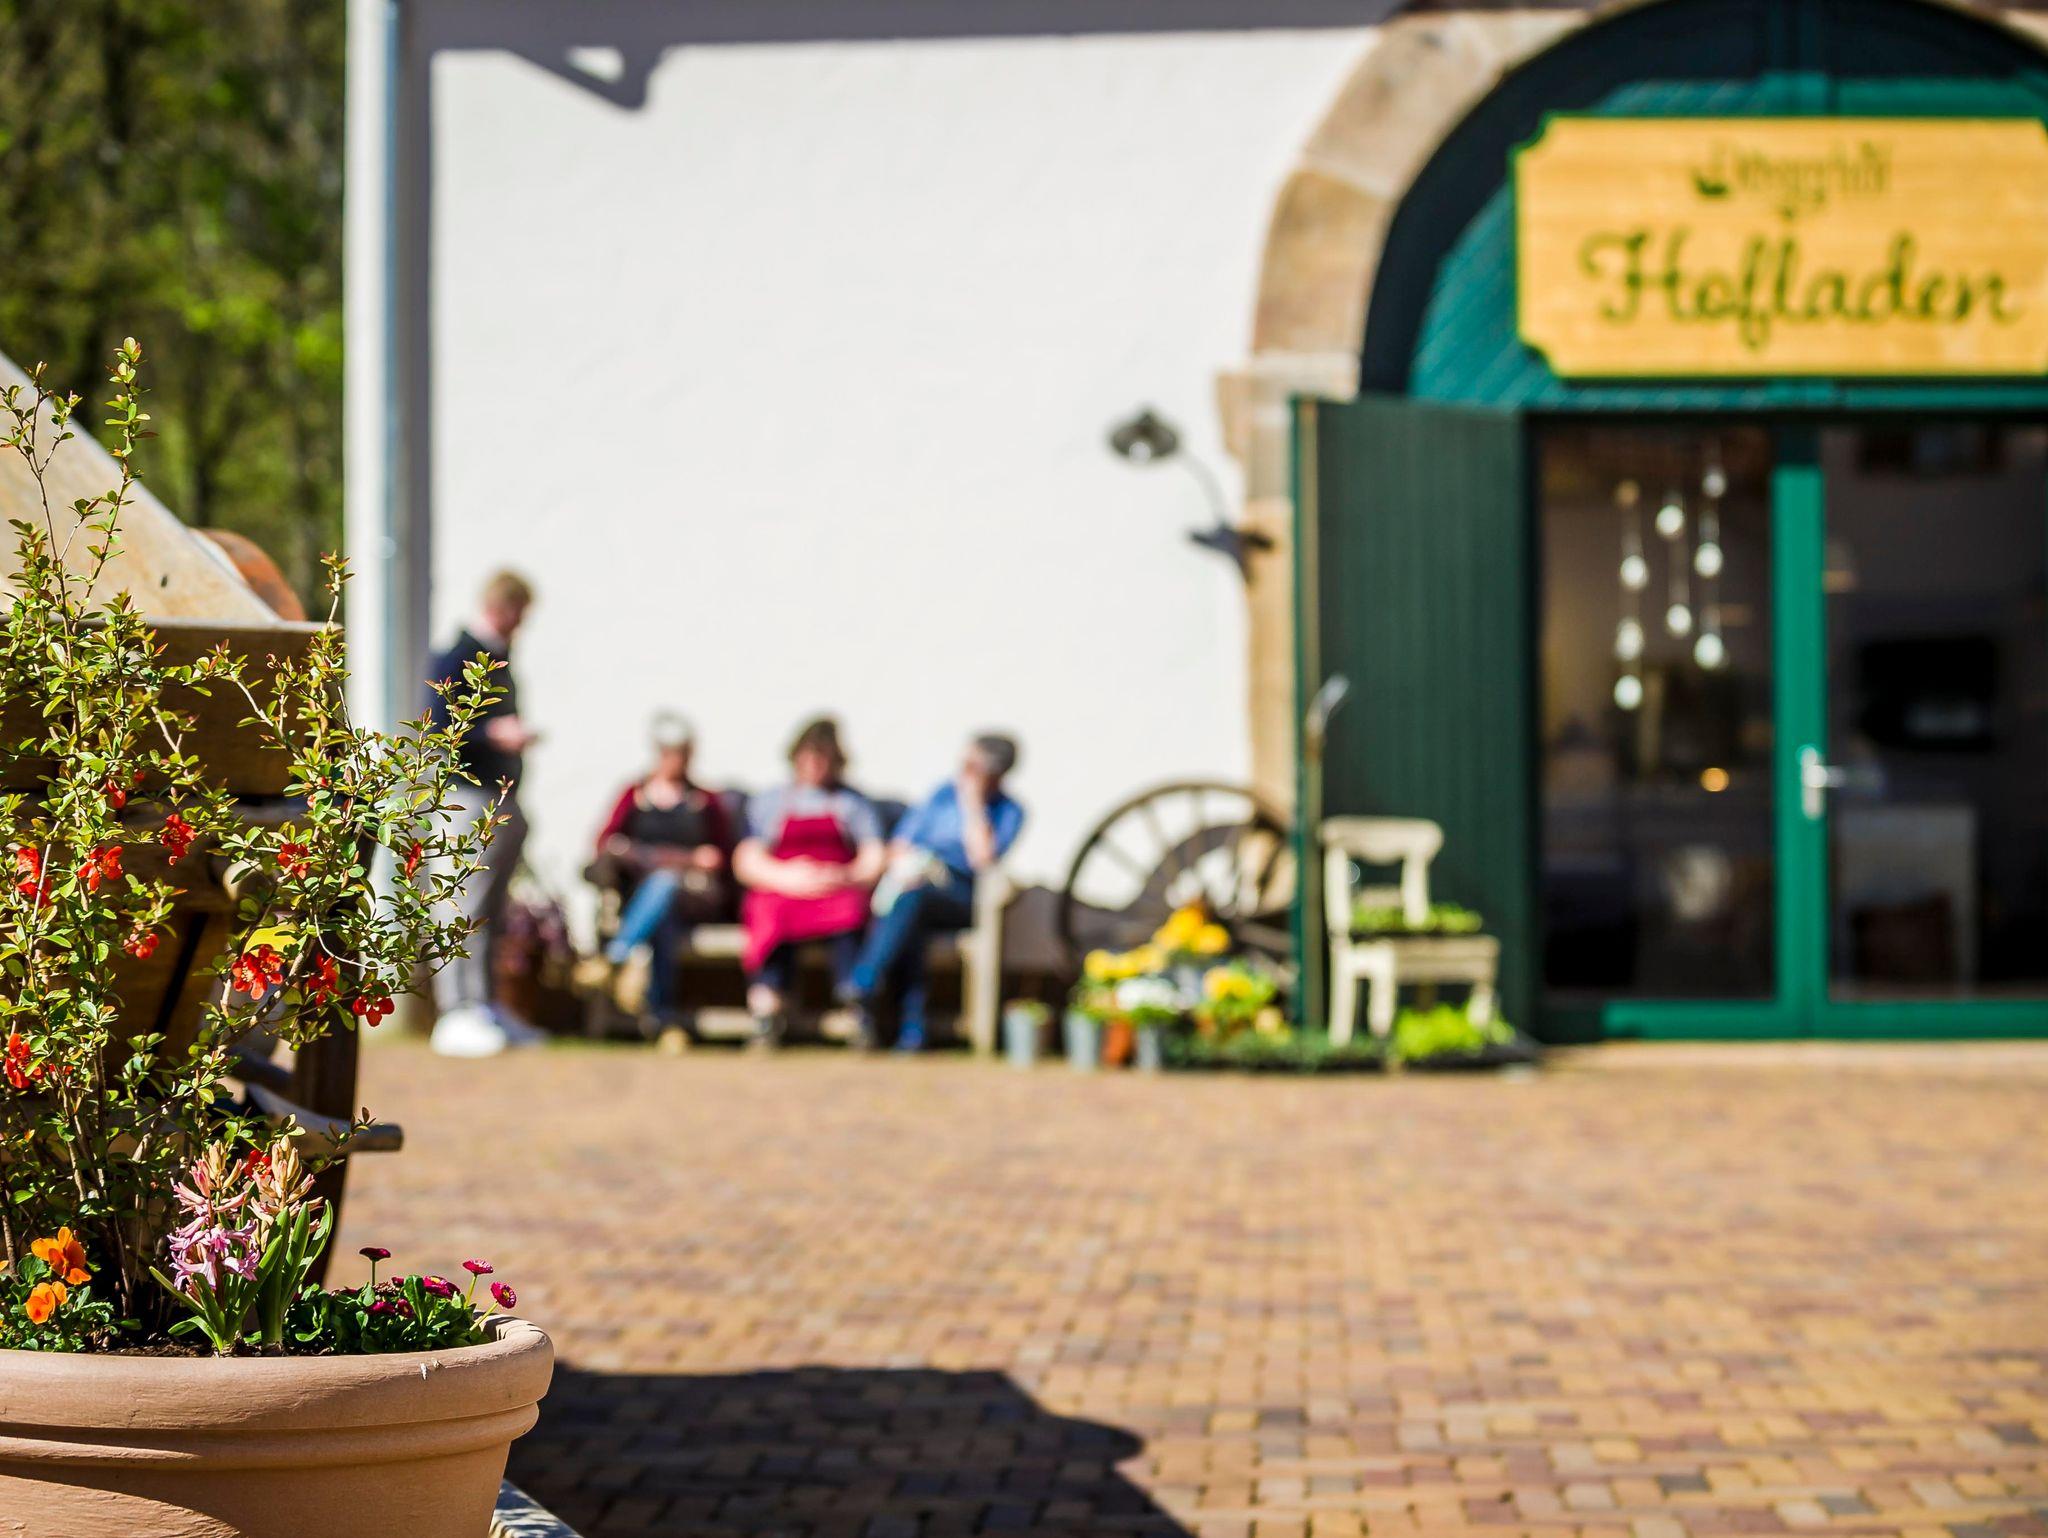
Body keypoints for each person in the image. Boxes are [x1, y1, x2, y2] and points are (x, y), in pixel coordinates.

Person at [423, 570, 544, 1058]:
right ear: (503, 606)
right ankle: (456, 1010)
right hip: (467, 800)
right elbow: (435, 725)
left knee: (489, 909)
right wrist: (493, 734)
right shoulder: (459, 655)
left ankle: (484, 1005)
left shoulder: (497, 658)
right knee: (460, 904)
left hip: (498, 799)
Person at [844, 733, 1025, 1052]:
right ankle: (912, 1032)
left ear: (995, 773)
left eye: (973, 767)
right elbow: (900, 844)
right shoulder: (941, 795)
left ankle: (865, 979)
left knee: (913, 901)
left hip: (963, 894)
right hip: (915, 884)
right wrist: (911, 864)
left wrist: (973, 806)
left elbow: (982, 860)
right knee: (911, 916)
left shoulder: (1009, 810)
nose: (964, 772)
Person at [732, 717, 885, 1048]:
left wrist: (843, 876)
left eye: (823, 758)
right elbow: (747, 859)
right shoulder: (771, 801)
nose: (815, 765)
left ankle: (854, 1003)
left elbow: (873, 857)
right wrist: (785, 877)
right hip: (782, 888)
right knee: (766, 913)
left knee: (853, 912)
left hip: (835, 892)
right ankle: (767, 1008)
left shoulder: (852, 803)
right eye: (809, 757)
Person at [588, 711, 733, 1034]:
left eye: (682, 753)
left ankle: (617, 955)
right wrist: (633, 853)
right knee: (663, 921)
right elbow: (604, 842)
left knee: (665, 883)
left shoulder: (705, 801)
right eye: (669, 752)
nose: (676, 760)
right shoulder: (633, 794)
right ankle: (661, 1019)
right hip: (645, 898)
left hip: (694, 894)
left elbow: (720, 856)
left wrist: (665, 858)